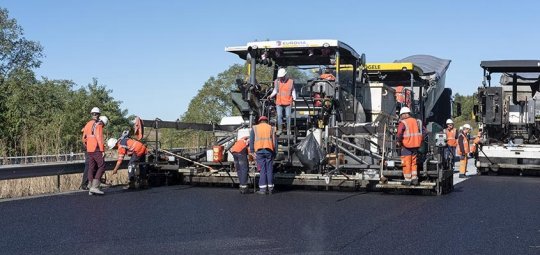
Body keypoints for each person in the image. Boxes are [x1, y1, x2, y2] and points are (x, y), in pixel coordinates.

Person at [81, 107, 108, 195]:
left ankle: (90, 185)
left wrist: (87, 145)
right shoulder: (99, 124)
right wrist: (102, 150)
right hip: (96, 148)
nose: (95, 115)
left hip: (89, 149)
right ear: (99, 115)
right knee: (102, 166)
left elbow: (84, 138)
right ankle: (95, 187)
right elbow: (99, 138)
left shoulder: (88, 124)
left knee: (91, 167)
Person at [249, 116, 277, 194]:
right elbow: (275, 141)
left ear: (259, 121)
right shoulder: (271, 128)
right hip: (269, 151)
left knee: (262, 170)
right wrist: (275, 152)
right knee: (269, 170)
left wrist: (252, 150)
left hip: (259, 151)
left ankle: (263, 189)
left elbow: (251, 140)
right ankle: (271, 188)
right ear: (266, 121)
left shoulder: (255, 128)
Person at [396, 107, 423, 186]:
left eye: (401, 115)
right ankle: (414, 178)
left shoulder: (403, 122)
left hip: (406, 146)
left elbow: (399, 133)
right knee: (414, 162)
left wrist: (398, 141)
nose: (401, 117)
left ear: (403, 114)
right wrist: (419, 140)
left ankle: (407, 179)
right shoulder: (416, 121)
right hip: (415, 146)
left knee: (406, 163)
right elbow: (424, 131)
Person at [269, 68, 296, 135]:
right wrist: (270, 96)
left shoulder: (290, 82)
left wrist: (294, 99)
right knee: (279, 115)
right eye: (280, 77)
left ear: (285, 75)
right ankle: (280, 130)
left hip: (288, 102)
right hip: (279, 102)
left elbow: (293, 91)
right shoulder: (276, 82)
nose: (281, 78)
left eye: (282, 76)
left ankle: (288, 130)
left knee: (288, 116)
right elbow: (275, 90)